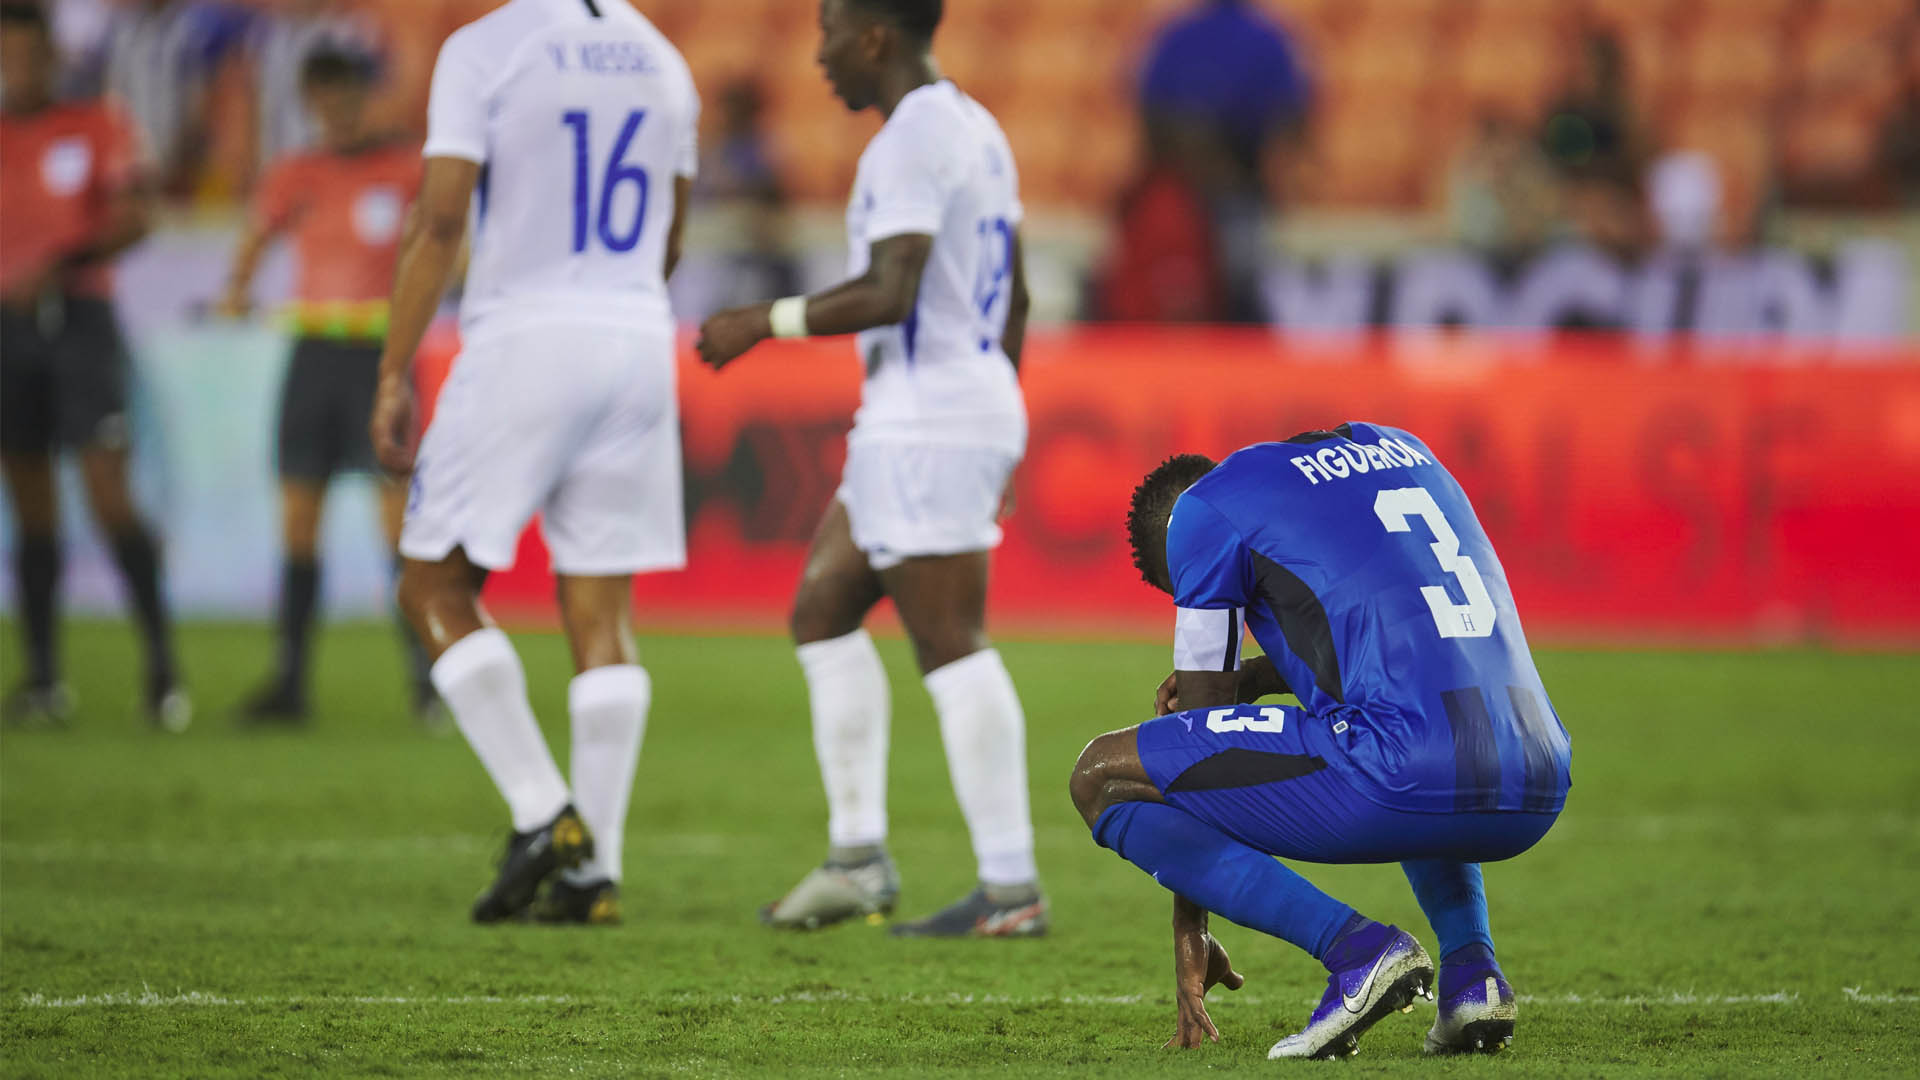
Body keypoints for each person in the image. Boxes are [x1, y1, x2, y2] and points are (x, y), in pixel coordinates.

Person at [697, 0, 1044, 938]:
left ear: (876, 36)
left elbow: (890, 291)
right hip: (942, 411)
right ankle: (858, 860)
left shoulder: (908, 141)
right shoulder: (977, 125)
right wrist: (999, 412)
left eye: (830, 33)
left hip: (928, 419)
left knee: (949, 642)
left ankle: (1010, 890)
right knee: (822, 608)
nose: (819, 56)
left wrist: (757, 322)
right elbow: (1016, 294)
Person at [1070, 424, 1572, 1057]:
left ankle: (1356, 950)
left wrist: (1189, 923)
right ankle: (1474, 976)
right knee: (1392, 722)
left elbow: (1194, 733)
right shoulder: (1404, 448)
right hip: (1536, 766)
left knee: (1101, 775)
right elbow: (1395, 630)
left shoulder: (1201, 514)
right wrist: (1257, 675)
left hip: (1405, 769)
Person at [368, 0, 698, 925]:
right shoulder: (664, 60)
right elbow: (671, 236)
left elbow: (439, 223)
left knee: (430, 585)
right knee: (602, 611)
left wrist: (394, 371)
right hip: (636, 341)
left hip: (524, 336)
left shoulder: (484, 49)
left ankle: (542, 812)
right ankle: (595, 872)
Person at [216, 46, 434, 726]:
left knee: (396, 524)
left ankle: (429, 683)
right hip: (313, 354)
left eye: (349, 99)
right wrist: (238, 291)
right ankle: (290, 682)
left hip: (382, 355)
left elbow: (446, 246)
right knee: (299, 520)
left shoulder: (407, 170)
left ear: (369, 97)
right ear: (311, 102)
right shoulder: (295, 173)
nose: (339, 114)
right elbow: (255, 240)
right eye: (326, 101)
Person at [0, 1, 188, 731]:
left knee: (109, 494)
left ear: (52, 54)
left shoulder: (98, 121)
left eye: (27, 55)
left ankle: (162, 670)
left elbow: (138, 217)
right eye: (6, 56)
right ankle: (45, 680)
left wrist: (61, 262)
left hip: (78, 322)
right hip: (8, 331)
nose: (17, 69)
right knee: (29, 500)